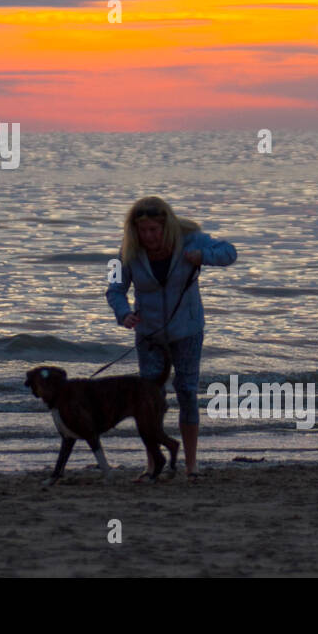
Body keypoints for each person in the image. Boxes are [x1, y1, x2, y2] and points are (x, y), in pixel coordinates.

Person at [105, 196, 237, 481]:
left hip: (187, 330)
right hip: (149, 334)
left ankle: (191, 466)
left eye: (155, 230)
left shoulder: (191, 240)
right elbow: (114, 290)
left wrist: (204, 257)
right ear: (134, 230)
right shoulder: (125, 253)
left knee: (187, 391)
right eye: (144, 231)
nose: (150, 236)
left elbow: (230, 252)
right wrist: (123, 314)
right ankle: (154, 464)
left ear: (167, 227)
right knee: (150, 399)